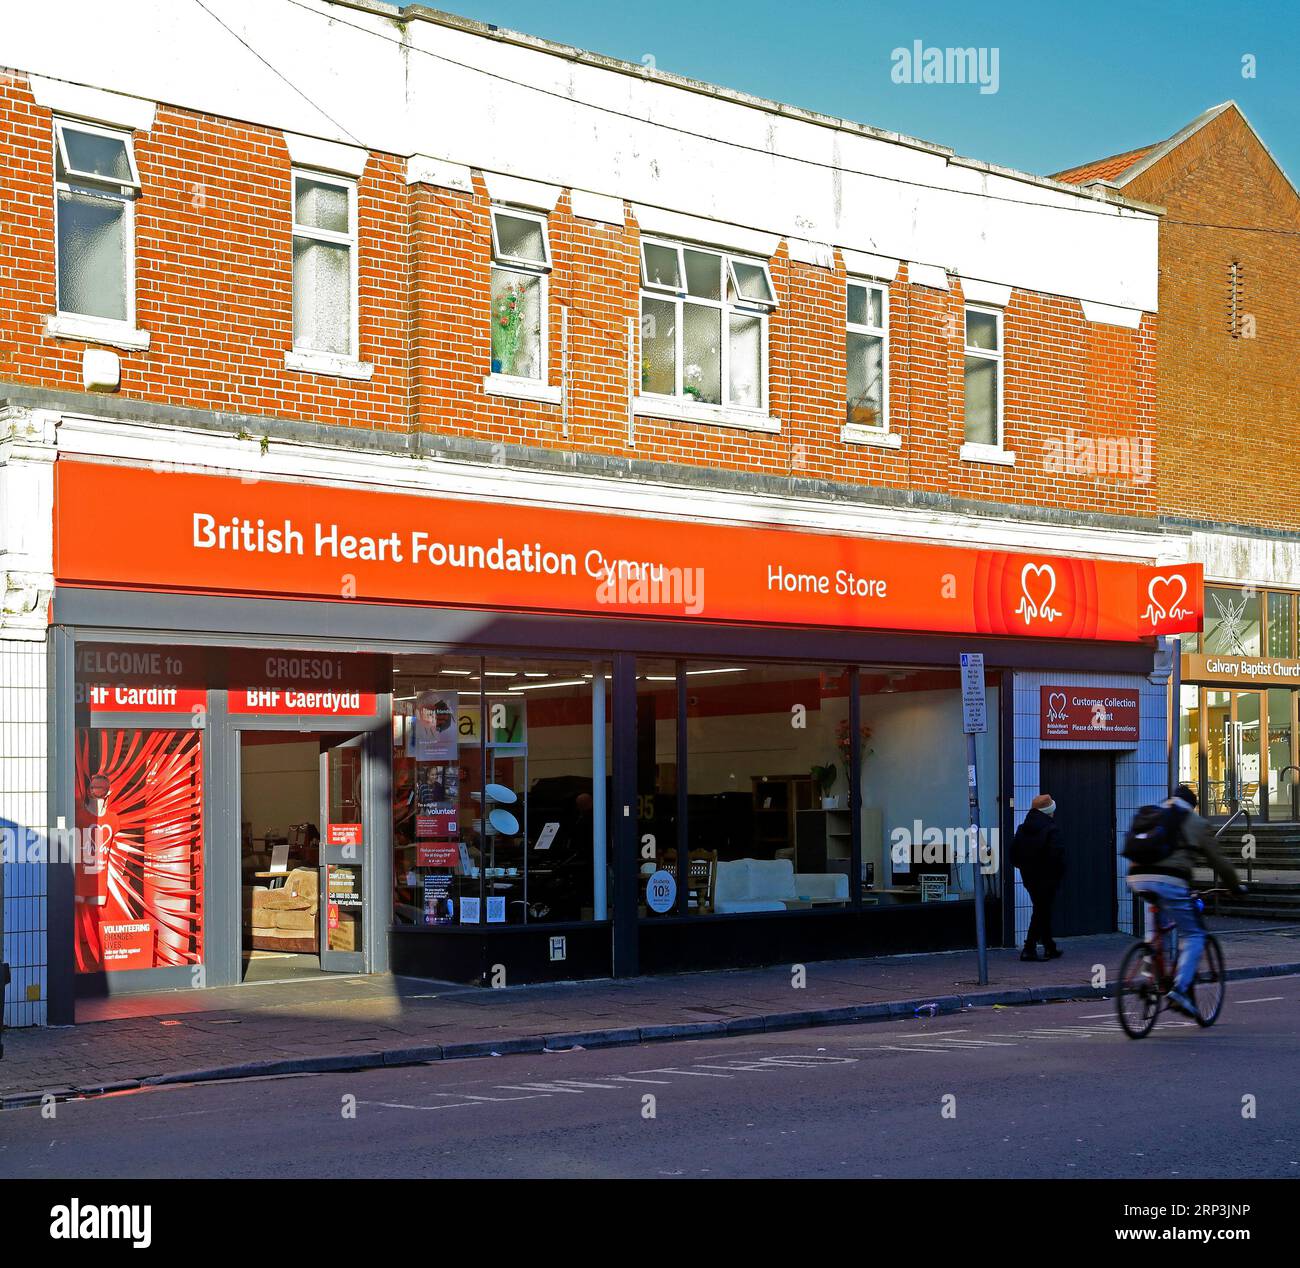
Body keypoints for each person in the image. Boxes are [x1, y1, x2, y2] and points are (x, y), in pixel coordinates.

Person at [1125, 784, 1243, 1018]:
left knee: (1155, 932)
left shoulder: (1153, 813)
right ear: (1192, 805)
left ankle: (1149, 978)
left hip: (1137, 878)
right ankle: (1179, 990)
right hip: (1170, 882)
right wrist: (1235, 886)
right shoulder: (1196, 822)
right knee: (1194, 935)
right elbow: (1218, 861)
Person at [1012, 792, 1066, 962]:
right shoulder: (1051, 829)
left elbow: (1013, 854)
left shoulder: (1022, 828)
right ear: (1049, 811)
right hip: (1047, 877)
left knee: (1042, 909)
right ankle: (1029, 949)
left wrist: (1025, 867)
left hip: (1029, 876)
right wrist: (1057, 873)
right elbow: (1057, 855)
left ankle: (1049, 946)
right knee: (1041, 910)